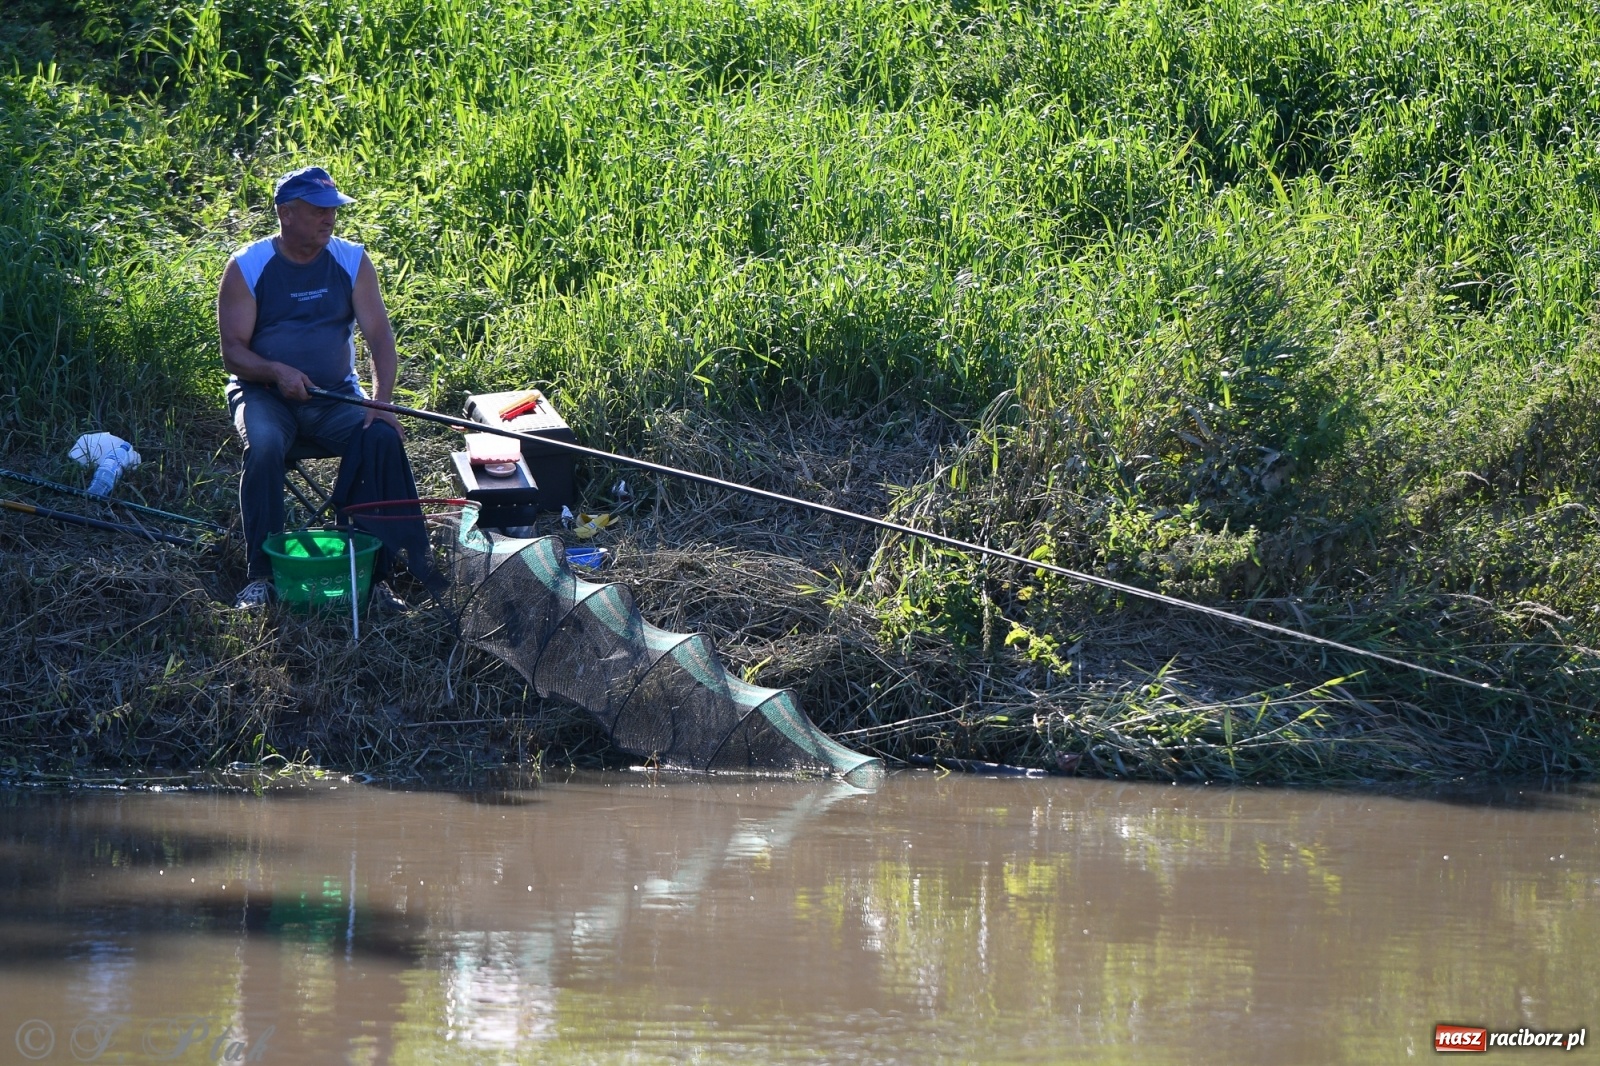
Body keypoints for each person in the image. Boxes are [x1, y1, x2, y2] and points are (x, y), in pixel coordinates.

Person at [218, 165, 411, 609]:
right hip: (262, 395)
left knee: (379, 437)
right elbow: (233, 353)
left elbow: (380, 336)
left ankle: (373, 575)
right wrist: (276, 372)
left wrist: (381, 403)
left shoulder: (351, 260)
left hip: (334, 395)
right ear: (286, 213)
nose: (330, 219)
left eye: (334, 210)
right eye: (318, 210)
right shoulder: (248, 266)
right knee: (264, 446)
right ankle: (262, 577)